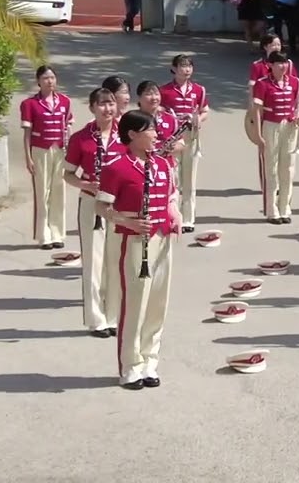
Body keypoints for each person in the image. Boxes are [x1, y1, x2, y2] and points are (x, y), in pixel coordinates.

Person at [97, 110, 181, 390]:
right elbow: (102, 206)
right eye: (150, 129)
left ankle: (149, 362)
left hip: (162, 239)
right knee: (135, 305)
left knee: (158, 304)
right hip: (133, 242)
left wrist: (175, 213)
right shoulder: (116, 166)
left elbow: (171, 195)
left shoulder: (163, 164)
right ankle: (130, 366)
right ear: (132, 134)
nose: (156, 133)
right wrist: (127, 220)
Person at [64, 88, 127, 338]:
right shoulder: (81, 138)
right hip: (91, 203)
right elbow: (67, 174)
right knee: (93, 261)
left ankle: (112, 316)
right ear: (92, 108)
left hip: (119, 205)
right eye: (102, 104)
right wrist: (84, 184)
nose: (107, 109)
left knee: (115, 259)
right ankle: (95, 319)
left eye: (111, 104)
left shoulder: (126, 134)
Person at [20, 65, 72, 250]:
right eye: (45, 78)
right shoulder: (30, 104)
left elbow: (68, 127)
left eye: (52, 77)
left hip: (60, 150)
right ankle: (44, 235)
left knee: (59, 190)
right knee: (42, 192)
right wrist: (28, 157)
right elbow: (27, 133)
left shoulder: (65, 101)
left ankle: (57, 233)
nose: (49, 81)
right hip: (40, 150)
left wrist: (70, 152)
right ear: (38, 82)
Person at [248, 52, 299, 225]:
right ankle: (272, 211)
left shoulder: (295, 82)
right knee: (271, 168)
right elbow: (257, 110)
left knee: (288, 168)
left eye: (285, 63)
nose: (283, 66)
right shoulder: (262, 83)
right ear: (270, 65)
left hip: (289, 126)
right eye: (278, 63)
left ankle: (285, 208)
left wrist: (297, 115)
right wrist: (257, 134)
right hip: (270, 126)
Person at [159, 55, 210, 233]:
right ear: (173, 68)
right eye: (182, 66)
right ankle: (173, 216)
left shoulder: (198, 90)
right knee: (173, 178)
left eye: (189, 66)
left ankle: (188, 219)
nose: (186, 70)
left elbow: (204, 110)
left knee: (190, 178)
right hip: (172, 137)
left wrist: (198, 119)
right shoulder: (164, 90)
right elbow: (159, 112)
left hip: (191, 136)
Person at [135, 81, 185, 160]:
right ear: (139, 98)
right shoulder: (133, 119)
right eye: (148, 94)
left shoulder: (170, 118)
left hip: (165, 165)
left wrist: (174, 147)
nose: (154, 97)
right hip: (140, 163)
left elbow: (181, 142)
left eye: (156, 94)